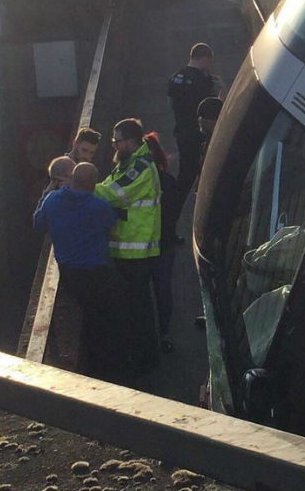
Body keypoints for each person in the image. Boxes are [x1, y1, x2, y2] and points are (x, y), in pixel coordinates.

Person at [34, 160, 127, 382]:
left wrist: (46, 192)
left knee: (84, 318)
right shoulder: (99, 207)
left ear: (71, 179)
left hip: (69, 274)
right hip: (97, 273)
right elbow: (112, 224)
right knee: (107, 317)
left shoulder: (52, 200)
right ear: (94, 184)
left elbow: (38, 224)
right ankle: (109, 369)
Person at [97, 118, 163, 375]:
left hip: (136, 247)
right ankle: (142, 356)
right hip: (129, 246)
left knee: (138, 307)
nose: (114, 145)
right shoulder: (130, 163)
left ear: (131, 141)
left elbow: (115, 194)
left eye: (117, 140)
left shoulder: (140, 167)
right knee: (136, 305)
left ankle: (144, 359)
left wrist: (82, 187)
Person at [142, 131, 186, 354]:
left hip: (143, 246)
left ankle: (150, 336)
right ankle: (164, 333)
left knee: (144, 292)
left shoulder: (134, 183)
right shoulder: (168, 181)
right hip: (163, 245)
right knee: (162, 290)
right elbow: (172, 214)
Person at [169, 43, 221, 195]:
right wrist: (222, 88)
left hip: (181, 131)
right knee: (204, 170)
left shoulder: (175, 78)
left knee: (185, 170)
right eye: (209, 61)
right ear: (204, 59)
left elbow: (170, 104)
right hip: (199, 134)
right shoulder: (202, 82)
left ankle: (178, 198)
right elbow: (215, 108)